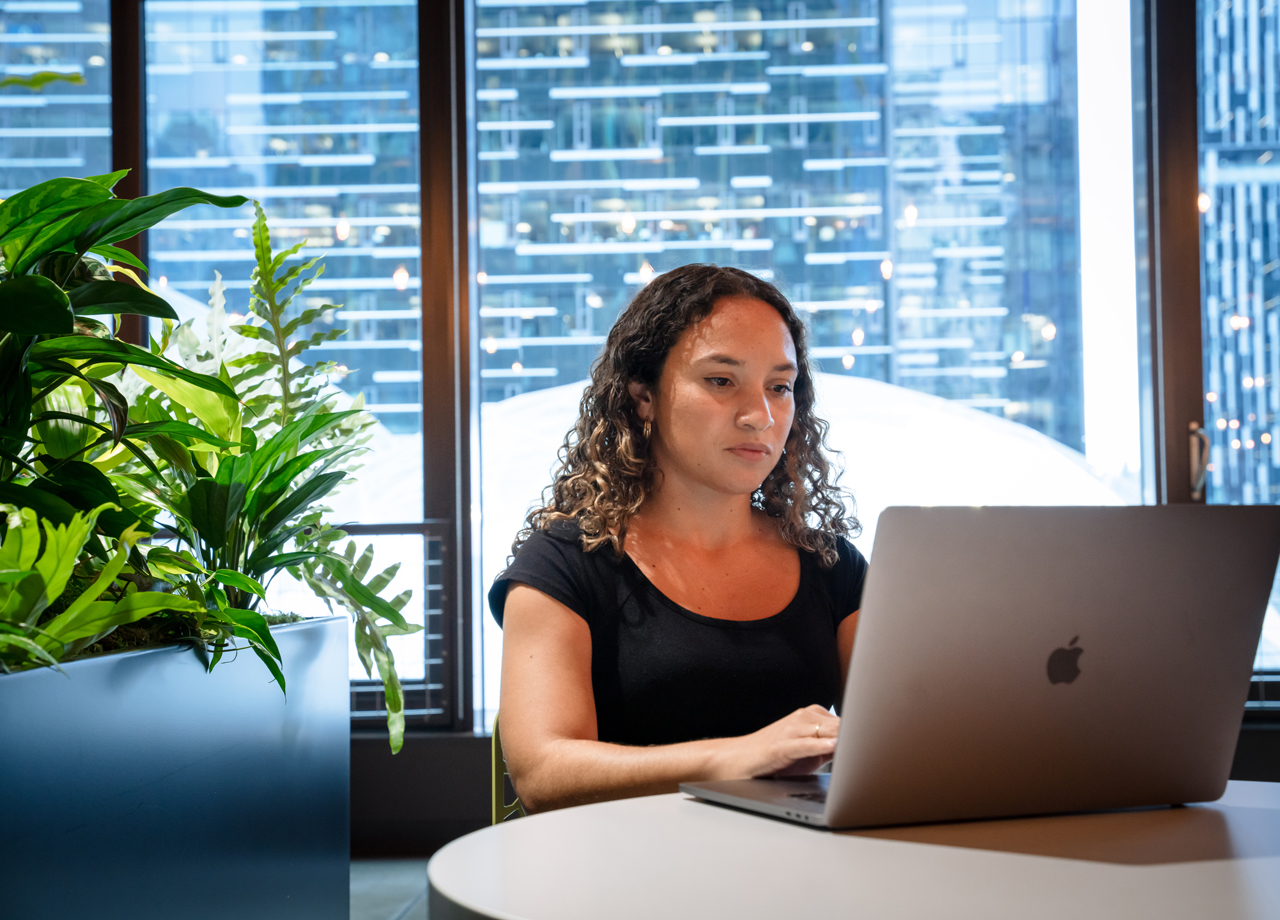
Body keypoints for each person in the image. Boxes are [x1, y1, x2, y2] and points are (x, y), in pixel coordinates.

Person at [489, 263, 867, 813]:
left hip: (801, 876)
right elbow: (543, 773)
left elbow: (898, 740)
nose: (760, 416)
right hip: (622, 879)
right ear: (643, 396)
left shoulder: (831, 564)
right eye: (721, 380)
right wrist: (736, 759)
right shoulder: (566, 562)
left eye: (779, 387)